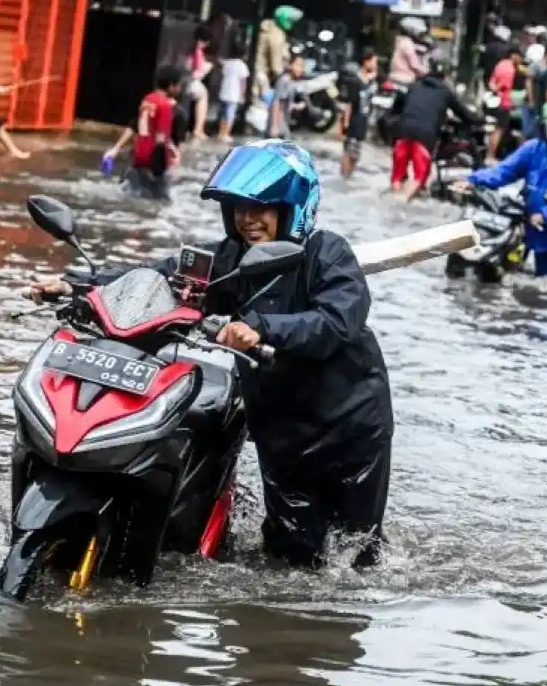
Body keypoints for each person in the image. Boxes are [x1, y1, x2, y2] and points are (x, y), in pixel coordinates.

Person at [26, 140, 395, 570]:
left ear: (291, 209)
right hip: (281, 431)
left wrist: (259, 328)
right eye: (238, 208)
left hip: (348, 429)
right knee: (289, 555)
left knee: (354, 560)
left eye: (260, 208)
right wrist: (78, 287)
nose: (246, 219)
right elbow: (158, 278)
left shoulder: (327, 253)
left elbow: (336, 322)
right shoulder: (228, 258)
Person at [459, 99, 547, 282]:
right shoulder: (533, 149)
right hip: (538, 231)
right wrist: (472, 181)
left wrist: (546, 215)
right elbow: (504, 171)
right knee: (543, 280)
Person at [389, 58, 481, 201]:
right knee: (419, 177)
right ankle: (402, 202)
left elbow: (397, 108)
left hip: (403, 133)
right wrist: (480, 119)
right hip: (425, 137)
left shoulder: (414, 86)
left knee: (397, 176)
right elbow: (463, 113)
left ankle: (395, 198)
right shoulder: (445, 91)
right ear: (445, 76)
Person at [121, 64, 184, 201]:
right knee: (161, 202)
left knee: (134, 194)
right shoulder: (165, 106)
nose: (180, 88)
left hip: (138, 156)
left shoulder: (147, 99)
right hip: (152, 161)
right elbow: (161, 139)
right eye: (179, 85)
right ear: (171, 85)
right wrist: (160, 170)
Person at [340, 50, 378, 179]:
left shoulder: (372, 81)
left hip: (363, 121)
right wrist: (345, 123)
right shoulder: (355, 81)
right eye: (373, 62)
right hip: (354, 121)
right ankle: (344, 175)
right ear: (366, 62)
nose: (375, 65)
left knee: (356, 153)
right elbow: (349, 104)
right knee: (349, 151)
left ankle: (348, 177)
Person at [253, 6, 302, 98]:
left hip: (257, 72)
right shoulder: (276, 35)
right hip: (262, 76)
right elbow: (276, 66)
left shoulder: (267, 29)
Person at [486, 42, 521, 164]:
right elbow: (504, 86)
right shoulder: (510, 69)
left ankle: (489, 154)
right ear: (514, 55)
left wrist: (494, 90)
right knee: (498, 130)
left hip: (493, 102)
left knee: (492, 129)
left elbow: (491, 82)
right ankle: (490, 156)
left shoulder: (500, 64)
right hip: (503, 104)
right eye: (519, 56)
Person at [217, 38, 250, 143]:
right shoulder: (242, 66)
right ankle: (226, 134)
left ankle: (220, 133)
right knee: (230, 115)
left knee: (223, 114)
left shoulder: (228, 63)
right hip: (234, 94)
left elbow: (223, 72)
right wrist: (242, 95)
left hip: (224, 92)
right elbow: (243, 83)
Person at [267, 54, 305, 139]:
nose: (300, 69)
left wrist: (295, 106)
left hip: (283, 123)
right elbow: (276, 103)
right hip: (279, 124)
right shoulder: (284, 80)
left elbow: (286, 104)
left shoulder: (292, 81)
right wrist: (274, 126)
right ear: (290, 65)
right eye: (298, 65)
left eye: (302, 66)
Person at [187, 25, 213, 140]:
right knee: (203, 94)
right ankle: (198, 129)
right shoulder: (198, 51)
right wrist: (208, 67)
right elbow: (196, 70)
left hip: (185, 81)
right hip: (190, 82)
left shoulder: (189, 47)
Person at [388, 17, 427, 88]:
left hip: (394, 77)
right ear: (413, 32)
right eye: (420, 33)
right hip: (405, 80)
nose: (421, 36)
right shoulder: (408, 44)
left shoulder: (399, 41)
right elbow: (415, 65)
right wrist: (427, 72)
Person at [522, 42, 547, 139]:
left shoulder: (540, 65)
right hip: (533, 102)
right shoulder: (536, 65)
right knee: (530, 132)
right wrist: (531, 100)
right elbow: (528, 82)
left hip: (538, 101)